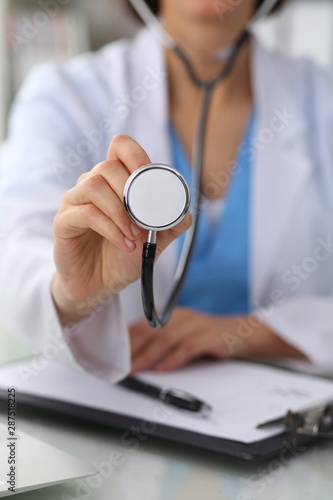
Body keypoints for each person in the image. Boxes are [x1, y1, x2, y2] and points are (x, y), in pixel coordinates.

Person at [0, 0, 333, 383]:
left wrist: (252, 333)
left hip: (288, 421)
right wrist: (71, 291)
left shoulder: (323, 102)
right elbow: (13, 252)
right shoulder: (64, 97)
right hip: (111, 415)